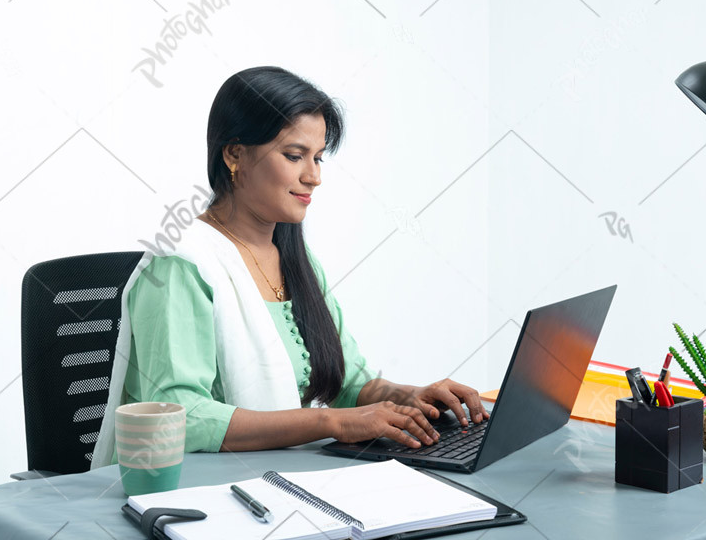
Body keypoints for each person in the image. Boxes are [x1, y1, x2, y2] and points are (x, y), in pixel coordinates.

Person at [92, 66, 488, 467]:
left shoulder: (296, 259)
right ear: (234, 154)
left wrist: (411, 397)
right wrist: (330, 422)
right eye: (294, 156)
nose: (313, 176)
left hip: (288, 477)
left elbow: (349, 384)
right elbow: (180, 417)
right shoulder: (180, 265)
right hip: (209, 495)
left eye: (318, 158)